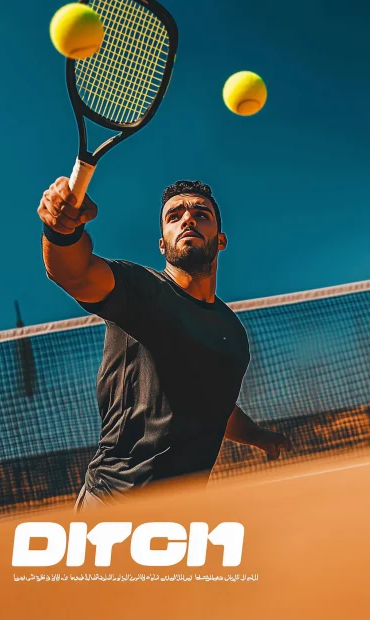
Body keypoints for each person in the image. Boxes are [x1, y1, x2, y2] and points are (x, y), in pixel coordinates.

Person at [38, 178, 291, 508]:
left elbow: (215, 402)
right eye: (175, 216)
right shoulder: (140, 291)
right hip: (113, 506)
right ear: (162, 244)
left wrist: (257, 436)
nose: (188, 219)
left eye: (201, 214)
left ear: (221, 240)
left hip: (184, 511)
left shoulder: (232, 332)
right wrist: (61, 231)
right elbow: (75, 273)